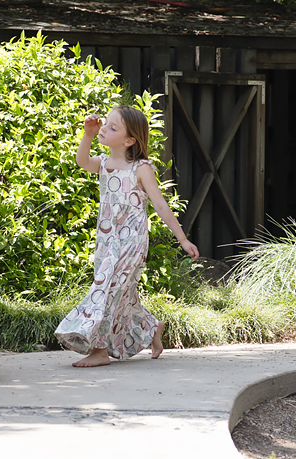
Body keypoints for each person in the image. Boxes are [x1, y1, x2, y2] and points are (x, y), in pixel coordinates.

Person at [55, 105, 199, 368]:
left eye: (112, 127)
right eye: (105, 124)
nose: (104, 129)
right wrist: (87, 135)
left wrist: (183, 239)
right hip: (106, 242)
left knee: (108, 290)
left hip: (131, 242)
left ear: (129, 140)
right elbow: (82, 162)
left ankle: (99, 350)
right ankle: (152, 327)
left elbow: (160, 206)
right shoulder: (104, 164)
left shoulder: (141, 168)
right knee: (121, 293)